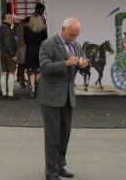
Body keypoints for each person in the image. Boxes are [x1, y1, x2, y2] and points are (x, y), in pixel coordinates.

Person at [37, 18, 88, 180]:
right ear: (63, 29)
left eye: (76, 36)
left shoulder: (77, 46)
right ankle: (51, 172)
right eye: (72, 35)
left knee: (64, 134)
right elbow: (45, 68)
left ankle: (60, 166)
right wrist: (66, 63)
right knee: (52, 136)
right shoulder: (48, 44)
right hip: (51, 96)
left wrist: (84, 65)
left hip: (68, 96)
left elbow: (79, 64)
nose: (74, 39)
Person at [25, 7, 48, 98]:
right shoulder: (42, 30)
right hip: (40, 50)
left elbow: (25, 41)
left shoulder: (27, 29)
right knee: (38, 70)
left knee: (31, 71)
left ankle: (33, 89)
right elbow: (45, 39)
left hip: (30, 50)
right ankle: (38, 89)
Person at [0, 13, 18, 100]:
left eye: (11, 17)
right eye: (9, 18)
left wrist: (13, 25)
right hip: (9, 54)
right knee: (11, 73)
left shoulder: (2, 28)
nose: (11, 19)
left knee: (4, 72)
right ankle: (10, 94)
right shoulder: (7, 29)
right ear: (4, 20)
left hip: (3, 53)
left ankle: (4, 93)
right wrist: (12, 54)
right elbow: (7, 42)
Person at [15, 16, 29, 89]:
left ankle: (19, 77)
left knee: (20, 64)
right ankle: (22, 80)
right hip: (24, 47)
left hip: (18, 47)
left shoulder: (17, 26)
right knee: (24, 65)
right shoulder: (25, 27)